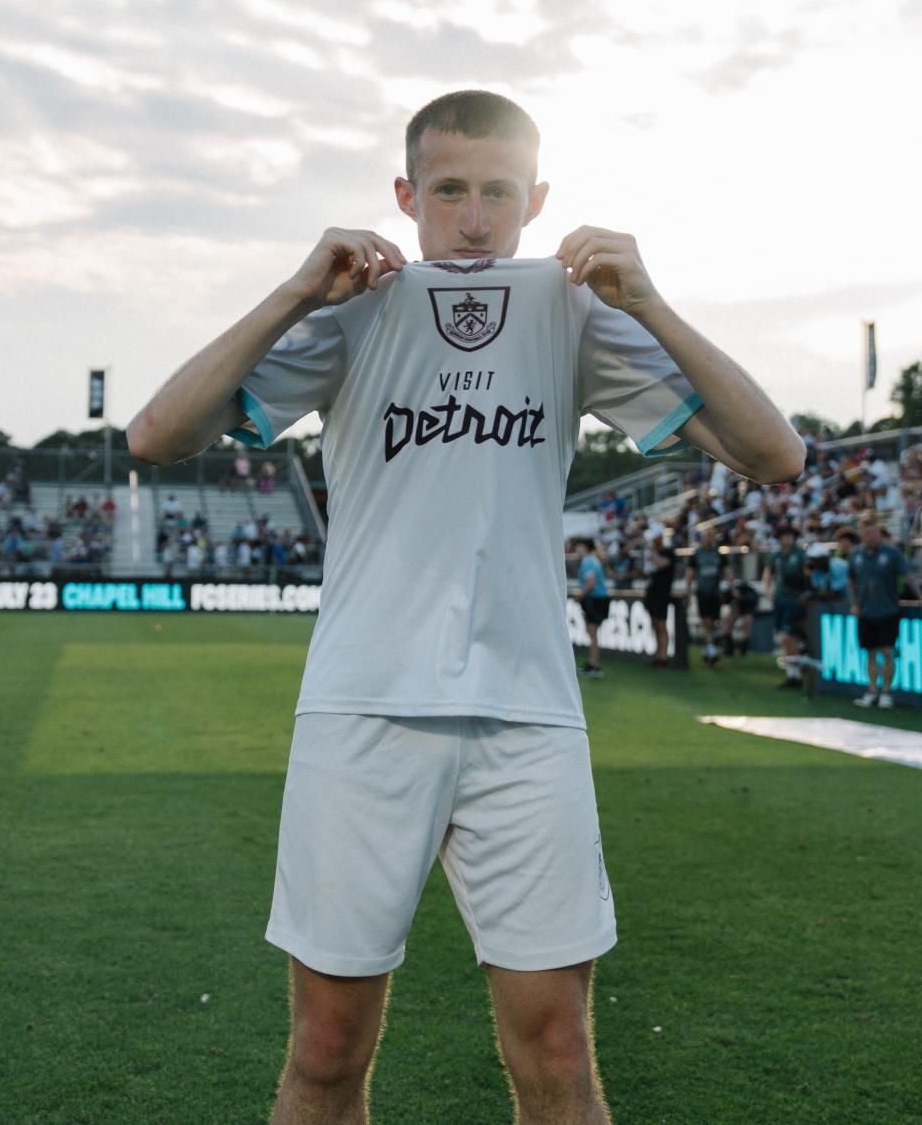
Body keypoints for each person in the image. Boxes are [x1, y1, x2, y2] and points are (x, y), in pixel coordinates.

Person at [127, 89, 804, 1125]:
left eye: (498, 192)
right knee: (325, 1047)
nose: (475, 218)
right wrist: (294, 289)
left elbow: (776, 454)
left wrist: (654, 302)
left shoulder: (573, 315)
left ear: (536, 199)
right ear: (408, 194)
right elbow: (156, 434)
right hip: (364, 704)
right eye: (450, 190)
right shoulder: (353, 310)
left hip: (526, 711)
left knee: (558, 1046)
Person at [850, 512, 920, 708]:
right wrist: (854, 602)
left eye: (873, 532)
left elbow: (907, 575)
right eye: (866, 532)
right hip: (865, 611)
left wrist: (919, 595)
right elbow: (851, 578)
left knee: (887, 651)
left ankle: (886, 693)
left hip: (888, 610)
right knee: (870, 653)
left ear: (878, 533)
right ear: (862, 534)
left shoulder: (891, 554)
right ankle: (872, 691)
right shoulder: (856, 555)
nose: (870, 536)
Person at [761, 524, 809, 688]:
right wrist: (767, 590)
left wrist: (806, 593)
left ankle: (796, 672)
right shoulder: (776, 555)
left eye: (789, 536)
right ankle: (792, 674)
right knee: (784, 638)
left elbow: (808, 576)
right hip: (780, 599)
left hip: (795, 600)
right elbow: (768, 573)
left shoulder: (801, 554)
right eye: (784, 536)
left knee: (787, 637)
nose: (787, 539)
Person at [685, 526, 733, 666]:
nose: (709, 539)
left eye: (711, 536)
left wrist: (733, 587)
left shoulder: (718, 553)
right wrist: (688, 591)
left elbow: (727, 570)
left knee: (713, 621)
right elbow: (690, 573)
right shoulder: (696, 554)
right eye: (706, 536)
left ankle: (708, 649)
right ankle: (711, 649)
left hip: (715, 592)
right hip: (702, 592)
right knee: (707, 621)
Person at [573, 537, 608, 678]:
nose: (576, 549)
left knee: (592, 632)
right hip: (598, 599)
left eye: (579, 546)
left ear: (585, 547)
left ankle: (594, 665)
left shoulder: (588, 561)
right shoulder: (593, 560)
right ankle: (592, 663)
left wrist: (580, 596)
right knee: (592, 632)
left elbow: (591, 583)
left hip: (595, 600)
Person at [643, 525, 678, 668]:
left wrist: (652, 553)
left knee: (661, 625)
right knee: (655, 624)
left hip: (662, 594)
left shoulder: (668, 552)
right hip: (652, 592)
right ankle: (659, 653)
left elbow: (661, 564)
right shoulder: (655, 553)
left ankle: (664, 656)